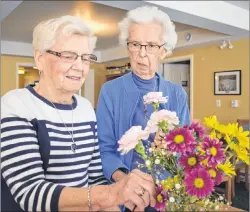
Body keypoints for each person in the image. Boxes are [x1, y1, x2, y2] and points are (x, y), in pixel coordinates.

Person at [1, 15, 156, 212]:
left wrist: (115, 199)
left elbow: (94, 177)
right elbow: (31, 193)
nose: (80, 66)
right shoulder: (16, 105)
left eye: (85, 58)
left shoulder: (85, 108)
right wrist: (112, 194)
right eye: (67, 55)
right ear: (39, 59)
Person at [96, 6, 190, 211]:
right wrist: (125, 181)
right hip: (124, 192)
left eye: (151, 46)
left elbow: (185, 150)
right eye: (135, 44)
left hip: (166, 193)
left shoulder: (177, 94)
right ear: (127, 45)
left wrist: (169, 150)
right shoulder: (110, 91)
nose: (141, 53)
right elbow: (103, 149)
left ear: (163, 51)